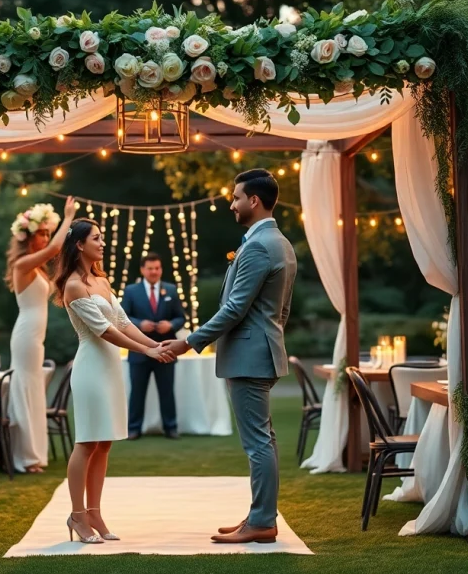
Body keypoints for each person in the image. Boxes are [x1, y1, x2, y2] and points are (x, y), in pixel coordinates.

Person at [164, 169, 296, 544]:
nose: (232, 204)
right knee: (263, 440)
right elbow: (281, 311)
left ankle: (262, 523)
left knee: (257, 442)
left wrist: (188, 341)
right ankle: (259, 516)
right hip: (262, 351)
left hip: (250, 356)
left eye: (236, 197)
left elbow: (235, 308)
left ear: (254, 201)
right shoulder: (281, 243)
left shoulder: (257, 245)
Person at [52, 218, 176, 543]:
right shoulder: (74, 286)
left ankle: (95, 512)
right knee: (87, 442)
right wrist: (144, 353)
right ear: (79, 245)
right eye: (97, 238)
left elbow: (123, 322)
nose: (103, 243)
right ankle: (77, 515)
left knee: (104, 443)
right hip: (91, 368)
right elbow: (105, 332)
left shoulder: (101, 282)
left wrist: (155, 345)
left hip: (110, 368)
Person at [5, 197, 77, 474]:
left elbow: (57, 254)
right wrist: (68, 217)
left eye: (48, 232)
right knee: (25, 390)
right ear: (28, 237)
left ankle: (34, 455)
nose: (46, 238)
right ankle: (26, 457)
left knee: (34, 390)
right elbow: (56, 248)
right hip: (25, 335)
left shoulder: (37, 267)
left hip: (36, 337)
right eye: (42, 233)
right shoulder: (22, 264)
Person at [121, 253, 187, 439]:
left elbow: (181, 317)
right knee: (137, 391)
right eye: (150, 268)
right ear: (143, 270)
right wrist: (139, 324)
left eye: (157, 268)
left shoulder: (171, 290)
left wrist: (171, 325)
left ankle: (171, 427)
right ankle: (133, 428)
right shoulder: (131, 291)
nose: (154, 272)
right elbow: (122, 317)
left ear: (161, 269)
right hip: (139, 349)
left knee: (167, 390)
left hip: (166, 348)